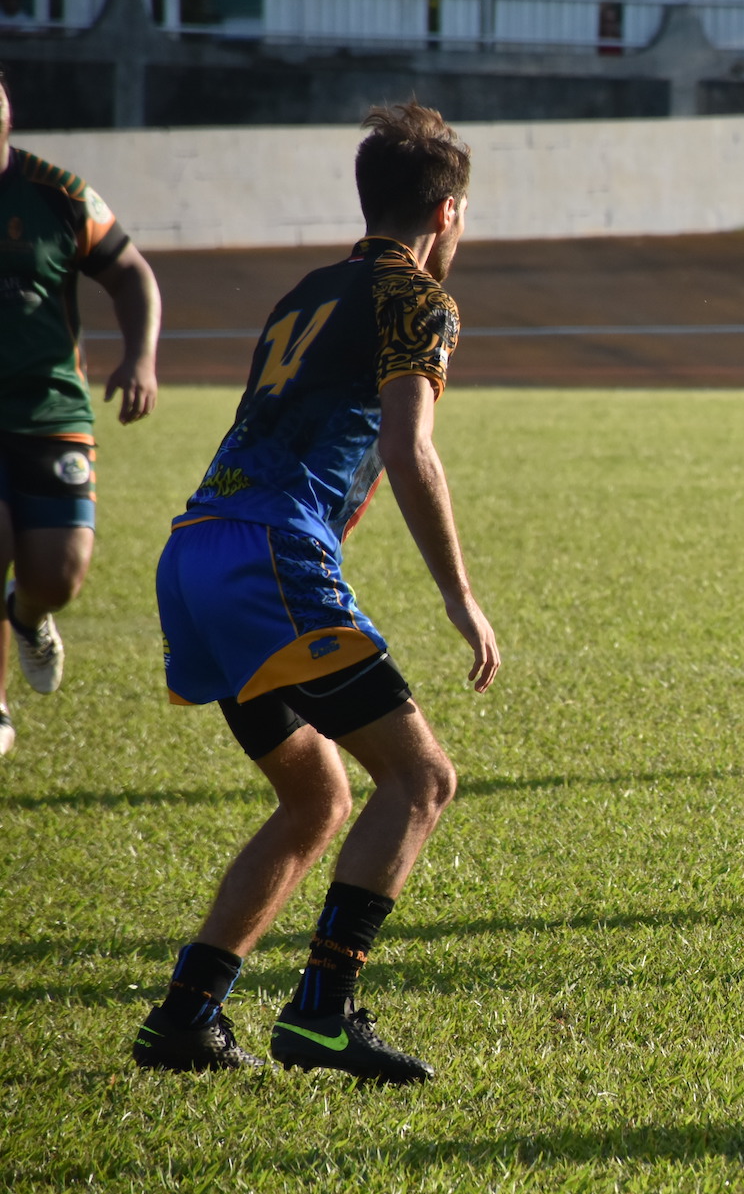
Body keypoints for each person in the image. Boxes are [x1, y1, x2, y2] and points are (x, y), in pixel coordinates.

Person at [133, 103, 501, 1082]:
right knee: (422, 779)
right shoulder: (419, 299)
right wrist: (462, 598)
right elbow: (407, 447)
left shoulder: (307, 288)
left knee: (315, 795)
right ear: (448, 211)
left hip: (195, 548)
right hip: (267, 560)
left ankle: (185, 1014)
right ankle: (324, 1010)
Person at [0, 76, 161, 753]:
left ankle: (29, 614)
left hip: (51, 408)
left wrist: (141, 359)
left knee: (57, 577)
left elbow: (131, 273)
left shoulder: (58, 195)